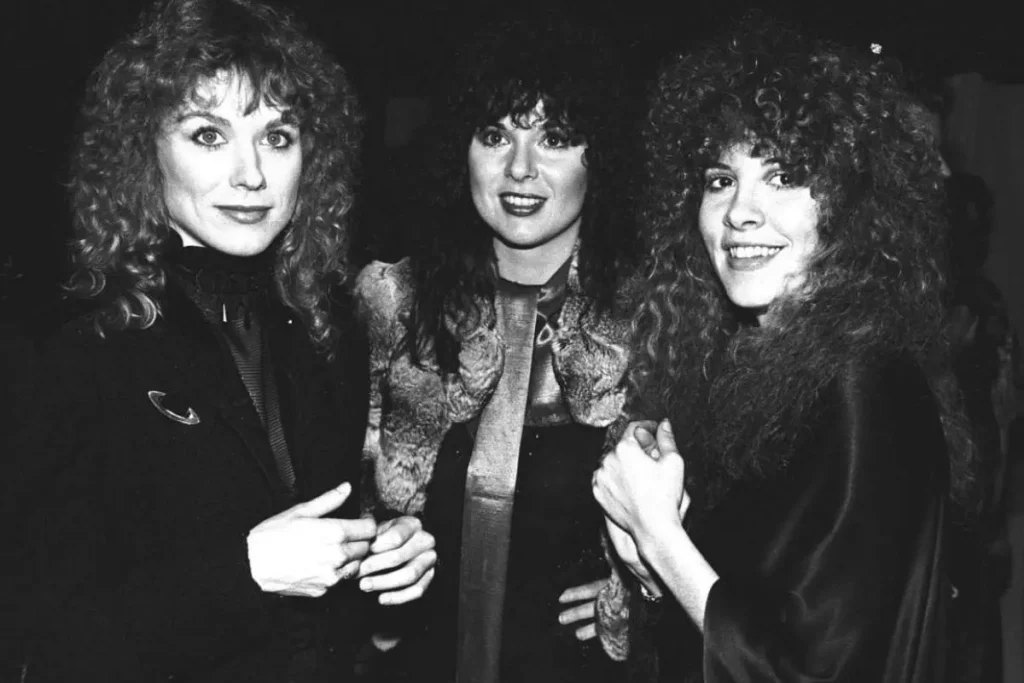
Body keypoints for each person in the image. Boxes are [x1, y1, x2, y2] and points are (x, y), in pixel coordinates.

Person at [2, 1, 434, 680]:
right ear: (143, 149)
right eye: (209, 135)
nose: (252, 175)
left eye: (278, 136)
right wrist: (247, 570)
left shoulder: (327, 328)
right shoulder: (71, 346)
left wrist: (380, 563)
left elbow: (317, 590)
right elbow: (48, 645)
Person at [592, 17, 979, 682]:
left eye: (785, 174)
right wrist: (644, 557)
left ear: (855, 202)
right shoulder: (752, 366)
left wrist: (659, 534)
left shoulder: (865, 385)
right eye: (721, 179)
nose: (741, 211)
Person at [354, 17, 639, 683]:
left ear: (606, 158)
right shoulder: (392, 304)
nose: (520, 169)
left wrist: (635, 602)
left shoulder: (655, 320)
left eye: (556, 139)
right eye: (495, 135)